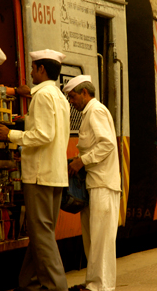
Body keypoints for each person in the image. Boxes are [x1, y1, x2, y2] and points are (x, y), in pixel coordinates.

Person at [0, 49, 70, 291]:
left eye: (33, 68)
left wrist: (10, 133)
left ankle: (57, 286)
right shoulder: (58, 96)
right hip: (54, 175)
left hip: (40, 175)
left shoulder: (43, 97)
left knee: (41, 234)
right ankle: (29, 283)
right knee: (40, 232)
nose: (31, 73)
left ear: (42, 69)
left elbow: (44, 134)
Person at [63, 76, 121, 291]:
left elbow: (107, 144)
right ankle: (94, 283)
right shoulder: (90, 113)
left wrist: (81, 161)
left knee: (101, 239)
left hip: (103, 185)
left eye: (73, 96)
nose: (71, 101)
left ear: (85, 93)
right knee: (93, 238)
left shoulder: (95, 111)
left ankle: (100, 287)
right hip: (94, 184)